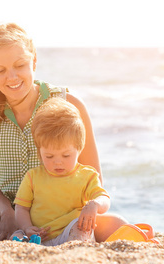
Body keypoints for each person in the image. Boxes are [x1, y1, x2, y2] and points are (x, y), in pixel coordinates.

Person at [0, 22, 127, 242]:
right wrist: (7, 214)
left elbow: (93, 176)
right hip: (17, 218)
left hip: (67, 218)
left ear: (34, 61)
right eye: (0, 70)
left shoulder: (69, 104)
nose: (12, 77)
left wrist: (89, 209)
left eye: (20, 65)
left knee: (116, 224)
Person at [11, 97, 110, 246]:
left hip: (69, 233)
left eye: (66, 155)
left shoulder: (87, 176)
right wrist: (26, 227)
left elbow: (104, 198)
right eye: (49, 156)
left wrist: (94, 205)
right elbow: (21, 208)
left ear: (79, 149)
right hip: (39, 237)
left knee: (81, 227)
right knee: (16, 235)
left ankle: (73, 250)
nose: (58, 161)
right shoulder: (33, 177)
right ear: (40, 152)